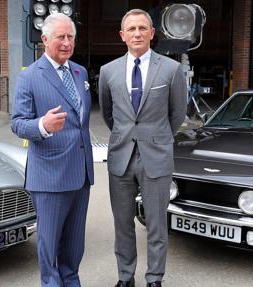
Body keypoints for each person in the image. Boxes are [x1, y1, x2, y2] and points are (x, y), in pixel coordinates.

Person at [98, 9, 187, 287]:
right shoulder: (108, 71)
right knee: (122, 224)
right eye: (131, 29)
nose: (137, 33)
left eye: (142, 28)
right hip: (121, 158)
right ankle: (125, 277)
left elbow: (177, 114)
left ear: (152, 33)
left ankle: (154, 278)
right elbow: (108, 113)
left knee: (157, 225)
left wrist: (156, 138)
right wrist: (128, 136)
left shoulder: (171, 70)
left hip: (156, 157)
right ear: (122, 35)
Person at [11, 13, 94, 287]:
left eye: (70, 37)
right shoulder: (30, 76)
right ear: (45, 39)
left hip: (81, 176)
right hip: (49, 178)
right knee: (49, 250)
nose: (67, 42)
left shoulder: (80, 72)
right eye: (60, 36)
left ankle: (72, 282)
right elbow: (18, 124)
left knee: (74, 247)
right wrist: (43, 125)